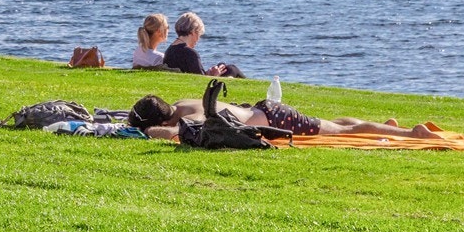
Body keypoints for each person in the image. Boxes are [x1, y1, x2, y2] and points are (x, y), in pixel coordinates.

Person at [126, 93, 440, 140]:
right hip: (265, 110)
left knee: (339, 132)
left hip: (275, 119)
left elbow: (174, 134)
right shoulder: (182, 104)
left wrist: (147, 132)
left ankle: (410, 133)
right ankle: (386, 127)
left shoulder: (188, 119)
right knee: (332, 124)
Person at [161, 12, 245, 78]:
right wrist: (214, 75)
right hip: (200, 87)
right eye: (199, 35)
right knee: (231, 69)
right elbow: (201, 81)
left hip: (186, 80)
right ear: (193, 32)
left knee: (222, 65)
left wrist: (208, 73)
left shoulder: (170, 50)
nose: (198, 39)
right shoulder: (190, 53)